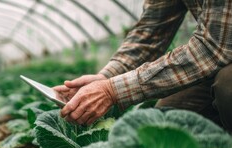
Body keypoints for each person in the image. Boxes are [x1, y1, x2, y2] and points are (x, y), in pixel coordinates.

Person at [53, 0, 232, 133]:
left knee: (227, 86)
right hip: (221, 55)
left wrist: (112, 91)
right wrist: (105, 78)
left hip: (221, 55)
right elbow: (150, 33)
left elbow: (214, 46)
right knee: (169, 118)